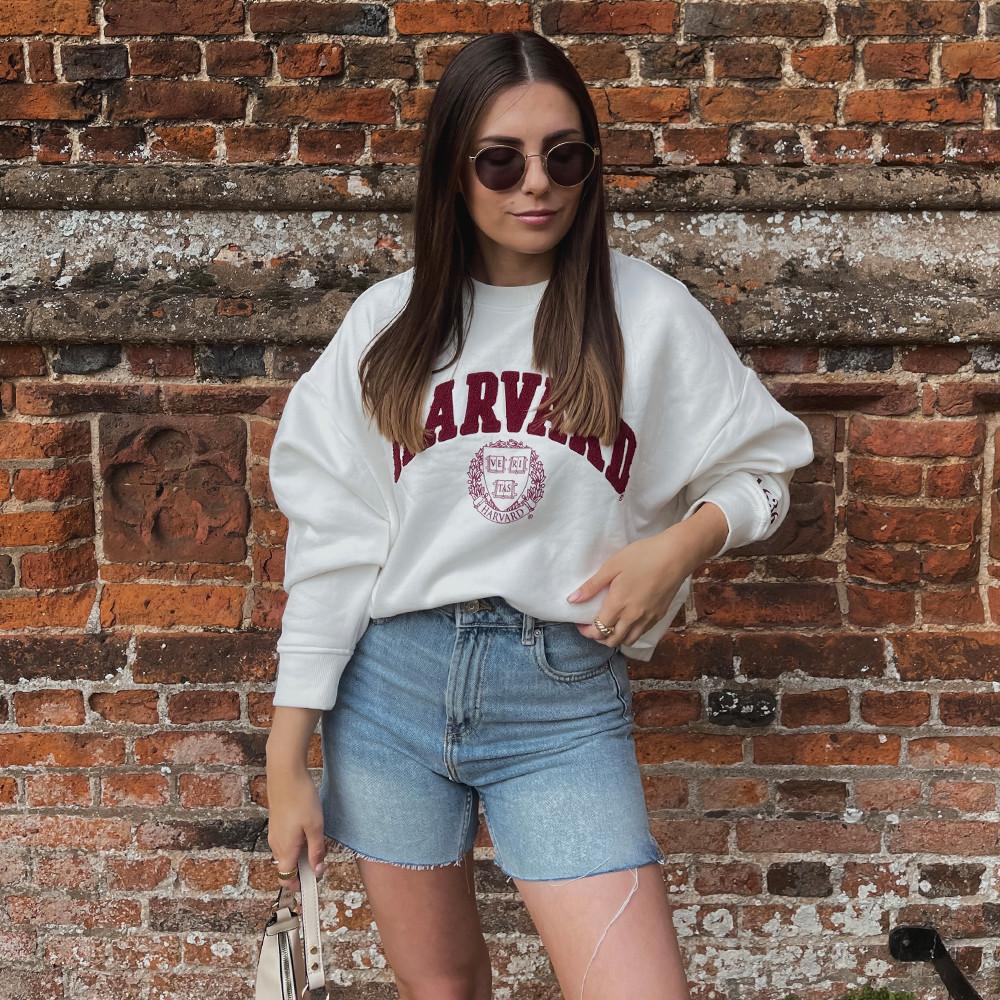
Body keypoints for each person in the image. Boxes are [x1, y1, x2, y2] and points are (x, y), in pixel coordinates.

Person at [264, 29, 814, 1000]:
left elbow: (767, 475)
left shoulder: (646, 315)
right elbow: (332, 545)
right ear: (452, 171)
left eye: (564, 156)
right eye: (500, 159)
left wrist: (677, 546)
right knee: (443, 990)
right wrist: (286, 754)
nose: (537, 184)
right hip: (387, 692)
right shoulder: (388, 329)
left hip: (558, 702)